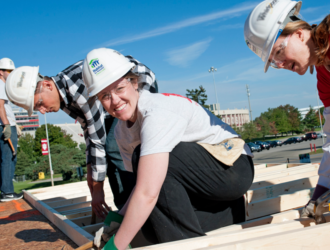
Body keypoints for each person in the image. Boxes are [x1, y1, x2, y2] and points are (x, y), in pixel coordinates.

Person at [82, 48, 254, 249]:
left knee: (155, 165)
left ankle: (189, 245)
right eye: (105, 96)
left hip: (232, 168)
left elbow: (148, 191)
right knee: (149, 225)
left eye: (119, 89)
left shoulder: (156, 113)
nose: (115, 101)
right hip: (207, 187)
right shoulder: (121, 132)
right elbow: (141, 188)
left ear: (134, 83)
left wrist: (115, 246)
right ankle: (224, 215)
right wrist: (118, 222)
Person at [244, 0, 330, 235]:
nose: (280, 64)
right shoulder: (326, 72)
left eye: (278, 52)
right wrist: (323, 187)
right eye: (273, 62)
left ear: (299, 34)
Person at [5, 54, 157, 218]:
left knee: (114, 147)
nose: (42, 111)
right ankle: (124, 211)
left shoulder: (77, 88)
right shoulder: (63, 98)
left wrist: (98, 189)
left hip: (139, 83)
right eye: (36, 109)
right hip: (111, 99)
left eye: (40, 103)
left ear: (47, 85)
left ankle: (141, 210)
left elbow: (97, 138)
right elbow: (88, 129)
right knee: (108, 153)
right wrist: (91, 170)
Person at [0, 58, 22, 202]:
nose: (11, 73)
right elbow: (0, 106)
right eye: (9, 71)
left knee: (6, 159)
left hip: (2, 124)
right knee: (8, 159)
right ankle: (7, 192)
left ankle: (6, 192)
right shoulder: (0, 86)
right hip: (3, 126)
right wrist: (7, 125)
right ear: (1, 72)